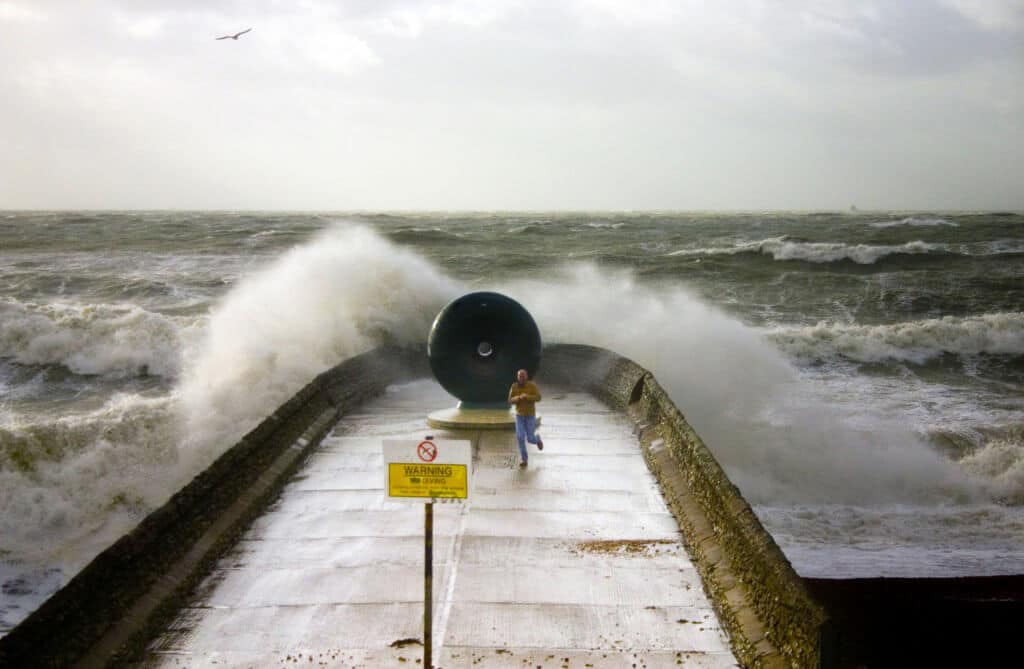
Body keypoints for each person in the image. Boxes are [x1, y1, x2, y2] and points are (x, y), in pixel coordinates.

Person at [508, 368, 543, 468]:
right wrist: (518, 398)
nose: (521, 378)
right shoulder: (514, 386)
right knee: (520, 437)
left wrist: (527, 396)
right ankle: (524, 459)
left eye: (523, 376)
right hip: (519, 416)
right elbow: (510, 400)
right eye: (520, 376)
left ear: (526, 377)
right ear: (517, 377)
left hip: (530, 416)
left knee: (530, 439)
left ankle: (538, 439)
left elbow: (539, 397)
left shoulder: (532, 386)